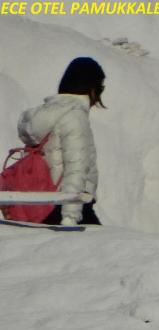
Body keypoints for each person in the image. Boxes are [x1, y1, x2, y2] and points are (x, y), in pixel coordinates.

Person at [16, 57, 104, 225]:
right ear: (91, 88)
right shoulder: (75, 116)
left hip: (43, 202)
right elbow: (75, 168)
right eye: (100, 87)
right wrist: (70, 217)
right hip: (69, 203)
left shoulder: (47, 113)